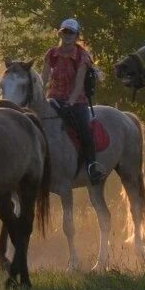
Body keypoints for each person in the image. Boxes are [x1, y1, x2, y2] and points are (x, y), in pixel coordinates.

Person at [43, 17, 104, 185]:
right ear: (60, 33)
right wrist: (40, 98)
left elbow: (78, 86)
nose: (67, 35)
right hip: (54, 99)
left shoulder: (82, 57)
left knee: (84, 129)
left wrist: (69, 103)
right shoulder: (51, 54)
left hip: (77, 101)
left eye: (71, 33)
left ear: (77, 36)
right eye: (65, 32)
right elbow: (43, 79)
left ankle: (92, 166)